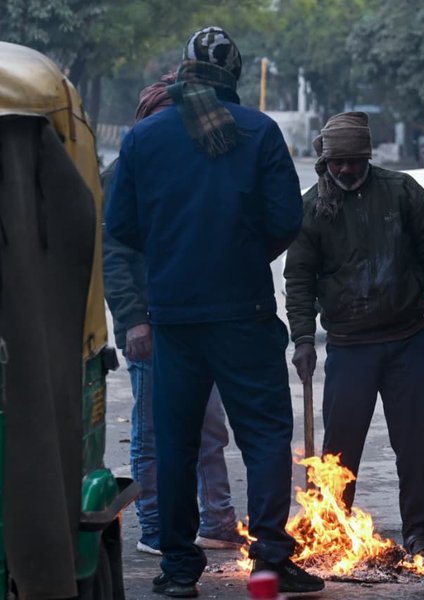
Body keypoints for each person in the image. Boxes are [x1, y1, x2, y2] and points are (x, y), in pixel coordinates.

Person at [105, 27, 323, 597]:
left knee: (175, 442)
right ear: (236, 76)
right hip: (243, 310)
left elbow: (123, 228)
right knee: (266, 437)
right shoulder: (259, 132)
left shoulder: (144, 139)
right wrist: (240, 255)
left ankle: (179, 571)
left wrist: (175, 256)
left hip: (174, 315)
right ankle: (270, 566)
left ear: (183, 72)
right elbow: (285, 221)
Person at [284, 111, 424, 560]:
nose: (346, 170)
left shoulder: (401, 191)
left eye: (354, 161)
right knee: (339, 451)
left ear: (367, 157)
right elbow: (299, 278)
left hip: (406, 340)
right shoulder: (311, 207)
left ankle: (419, 531)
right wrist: (303, 338)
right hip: (348, 345)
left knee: (416, 442)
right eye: (337, 162)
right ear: (325, 162)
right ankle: (334, 529)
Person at [102, 73, 245, 557]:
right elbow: (115, 258)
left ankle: (219, 522)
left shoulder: (193, 163)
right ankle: (155, 528)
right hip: (150, 322)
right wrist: (133, 321)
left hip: (194, 317)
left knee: (208, 426)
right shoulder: (122, 173)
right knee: (153, 433)